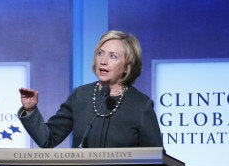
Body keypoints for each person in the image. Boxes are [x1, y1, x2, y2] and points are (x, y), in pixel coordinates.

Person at [18, 30, 162, 149]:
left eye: (113, 56)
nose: (103, 61)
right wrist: (31, 110)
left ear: (127, 66)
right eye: (100, 53)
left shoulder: (141, 105)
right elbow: (47, 139)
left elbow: (156, 159)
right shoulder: (80, 95)